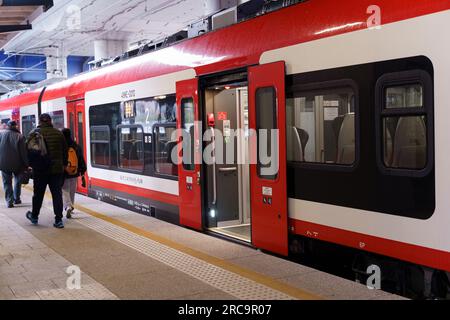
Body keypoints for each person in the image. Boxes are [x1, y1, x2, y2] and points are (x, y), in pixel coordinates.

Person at [26, 113, 68, 229]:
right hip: (56, 170)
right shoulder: (59, 134)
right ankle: (58, 220)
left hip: (40, 170)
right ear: (50, 121)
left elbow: (28, 150)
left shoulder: (33, 133)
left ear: (39, 121)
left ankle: (34, 216)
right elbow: (65, 152)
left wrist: (29, 165)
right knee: (57, 195)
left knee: (38, 195)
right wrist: (64, 165)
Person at [0, 121, 28, 208]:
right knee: (17, 181)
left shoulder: (1, 135)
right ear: (16, 127)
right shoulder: (20, 136)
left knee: (7, 182)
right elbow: (23, 153)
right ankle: (16, 199)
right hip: (18, 164)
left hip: (4, 163)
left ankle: (9, 201)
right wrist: (27, 164)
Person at [61, 128, 86, 218]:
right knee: (72, 191)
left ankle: (68, 206)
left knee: (65, 190)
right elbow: (80, 158)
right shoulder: (75, 145)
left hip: (64, 172)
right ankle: (71, 207)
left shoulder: (61, 146)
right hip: (74, 171)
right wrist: (82, 170)